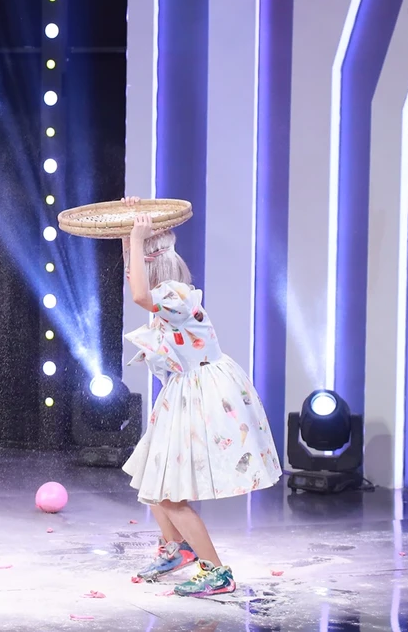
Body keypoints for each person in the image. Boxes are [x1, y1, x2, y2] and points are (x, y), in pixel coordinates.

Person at [120, 196, 281, 597]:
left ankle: (216, 571)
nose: (131, 271)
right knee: (152, 477)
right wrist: (128, 232)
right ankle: (177, 549)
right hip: (184, 392)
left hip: (202, 395)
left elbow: (139, 293)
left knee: (169, 494)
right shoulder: (168, 300)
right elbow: (135, 281)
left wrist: (137, 238)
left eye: (138, 262)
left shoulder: (176, 296)